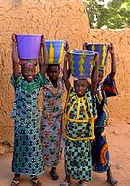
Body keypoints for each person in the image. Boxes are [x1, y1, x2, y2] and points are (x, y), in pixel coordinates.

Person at [10, 34, 49, 186]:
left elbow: (44, 63)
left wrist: (42, 45)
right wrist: (14, 44)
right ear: (22, 71)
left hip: (33, 121)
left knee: (33, 147)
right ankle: (17, 174)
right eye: (26, 71)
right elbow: (14, 62)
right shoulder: (18, 81)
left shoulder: (38, 80)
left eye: (32, 71)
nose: (30, 74)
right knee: (20, 146)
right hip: (20, 121)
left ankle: (33, 175)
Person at [60, 51, 99, 186]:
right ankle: (67, 178)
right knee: (69, 155)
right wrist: (65, 61)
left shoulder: (90, 94)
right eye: (77, 85)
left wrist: (95, 62)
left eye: (82, 85)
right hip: (71, 133)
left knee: (83, 156)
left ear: (87, 87)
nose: (79, 88)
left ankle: (82, 179)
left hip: (84, 133)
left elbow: (95, 80)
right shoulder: (71, 93)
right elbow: (65, 79)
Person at [90, 43, 118, 185]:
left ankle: (109, 174)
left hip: (99, 125)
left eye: (101, 75)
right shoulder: (86, 87)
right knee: (87, 150)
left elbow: (112, 73)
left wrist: (112, 55)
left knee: (103, 147)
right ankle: (84, 175)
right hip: (87, 125)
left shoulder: (104, 86)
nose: (99, 77)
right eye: (96, 74)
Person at [40, 64, 65, 180]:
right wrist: (42, 47)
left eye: (55, 71)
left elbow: (68, 71)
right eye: (51, 72)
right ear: (47, 72)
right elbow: (42, 64)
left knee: (57, 143)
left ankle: (53, 168)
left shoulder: (62, 81)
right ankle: (41, 165)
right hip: (47, 118)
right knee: (44, 141)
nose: (53, 74)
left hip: (58, 118)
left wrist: (67, 58)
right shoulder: (44, 81)